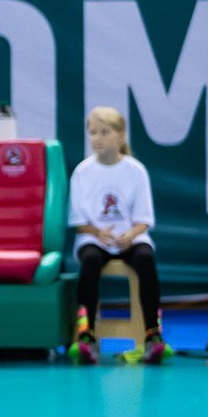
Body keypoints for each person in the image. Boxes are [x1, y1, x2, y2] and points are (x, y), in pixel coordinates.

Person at [68, 106, 169, 365]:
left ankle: (153, 334)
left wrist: (130, 235)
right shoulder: (82, 172)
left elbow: (143, 221)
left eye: (104, 132)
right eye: (93, 132)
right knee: (90, 259)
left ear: (121, 136)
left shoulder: (136, 171)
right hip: (94, 239)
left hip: (130, 239)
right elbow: (79, 224)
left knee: (145, 257)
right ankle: (86, 335)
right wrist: (97, 232)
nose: (97, 138)